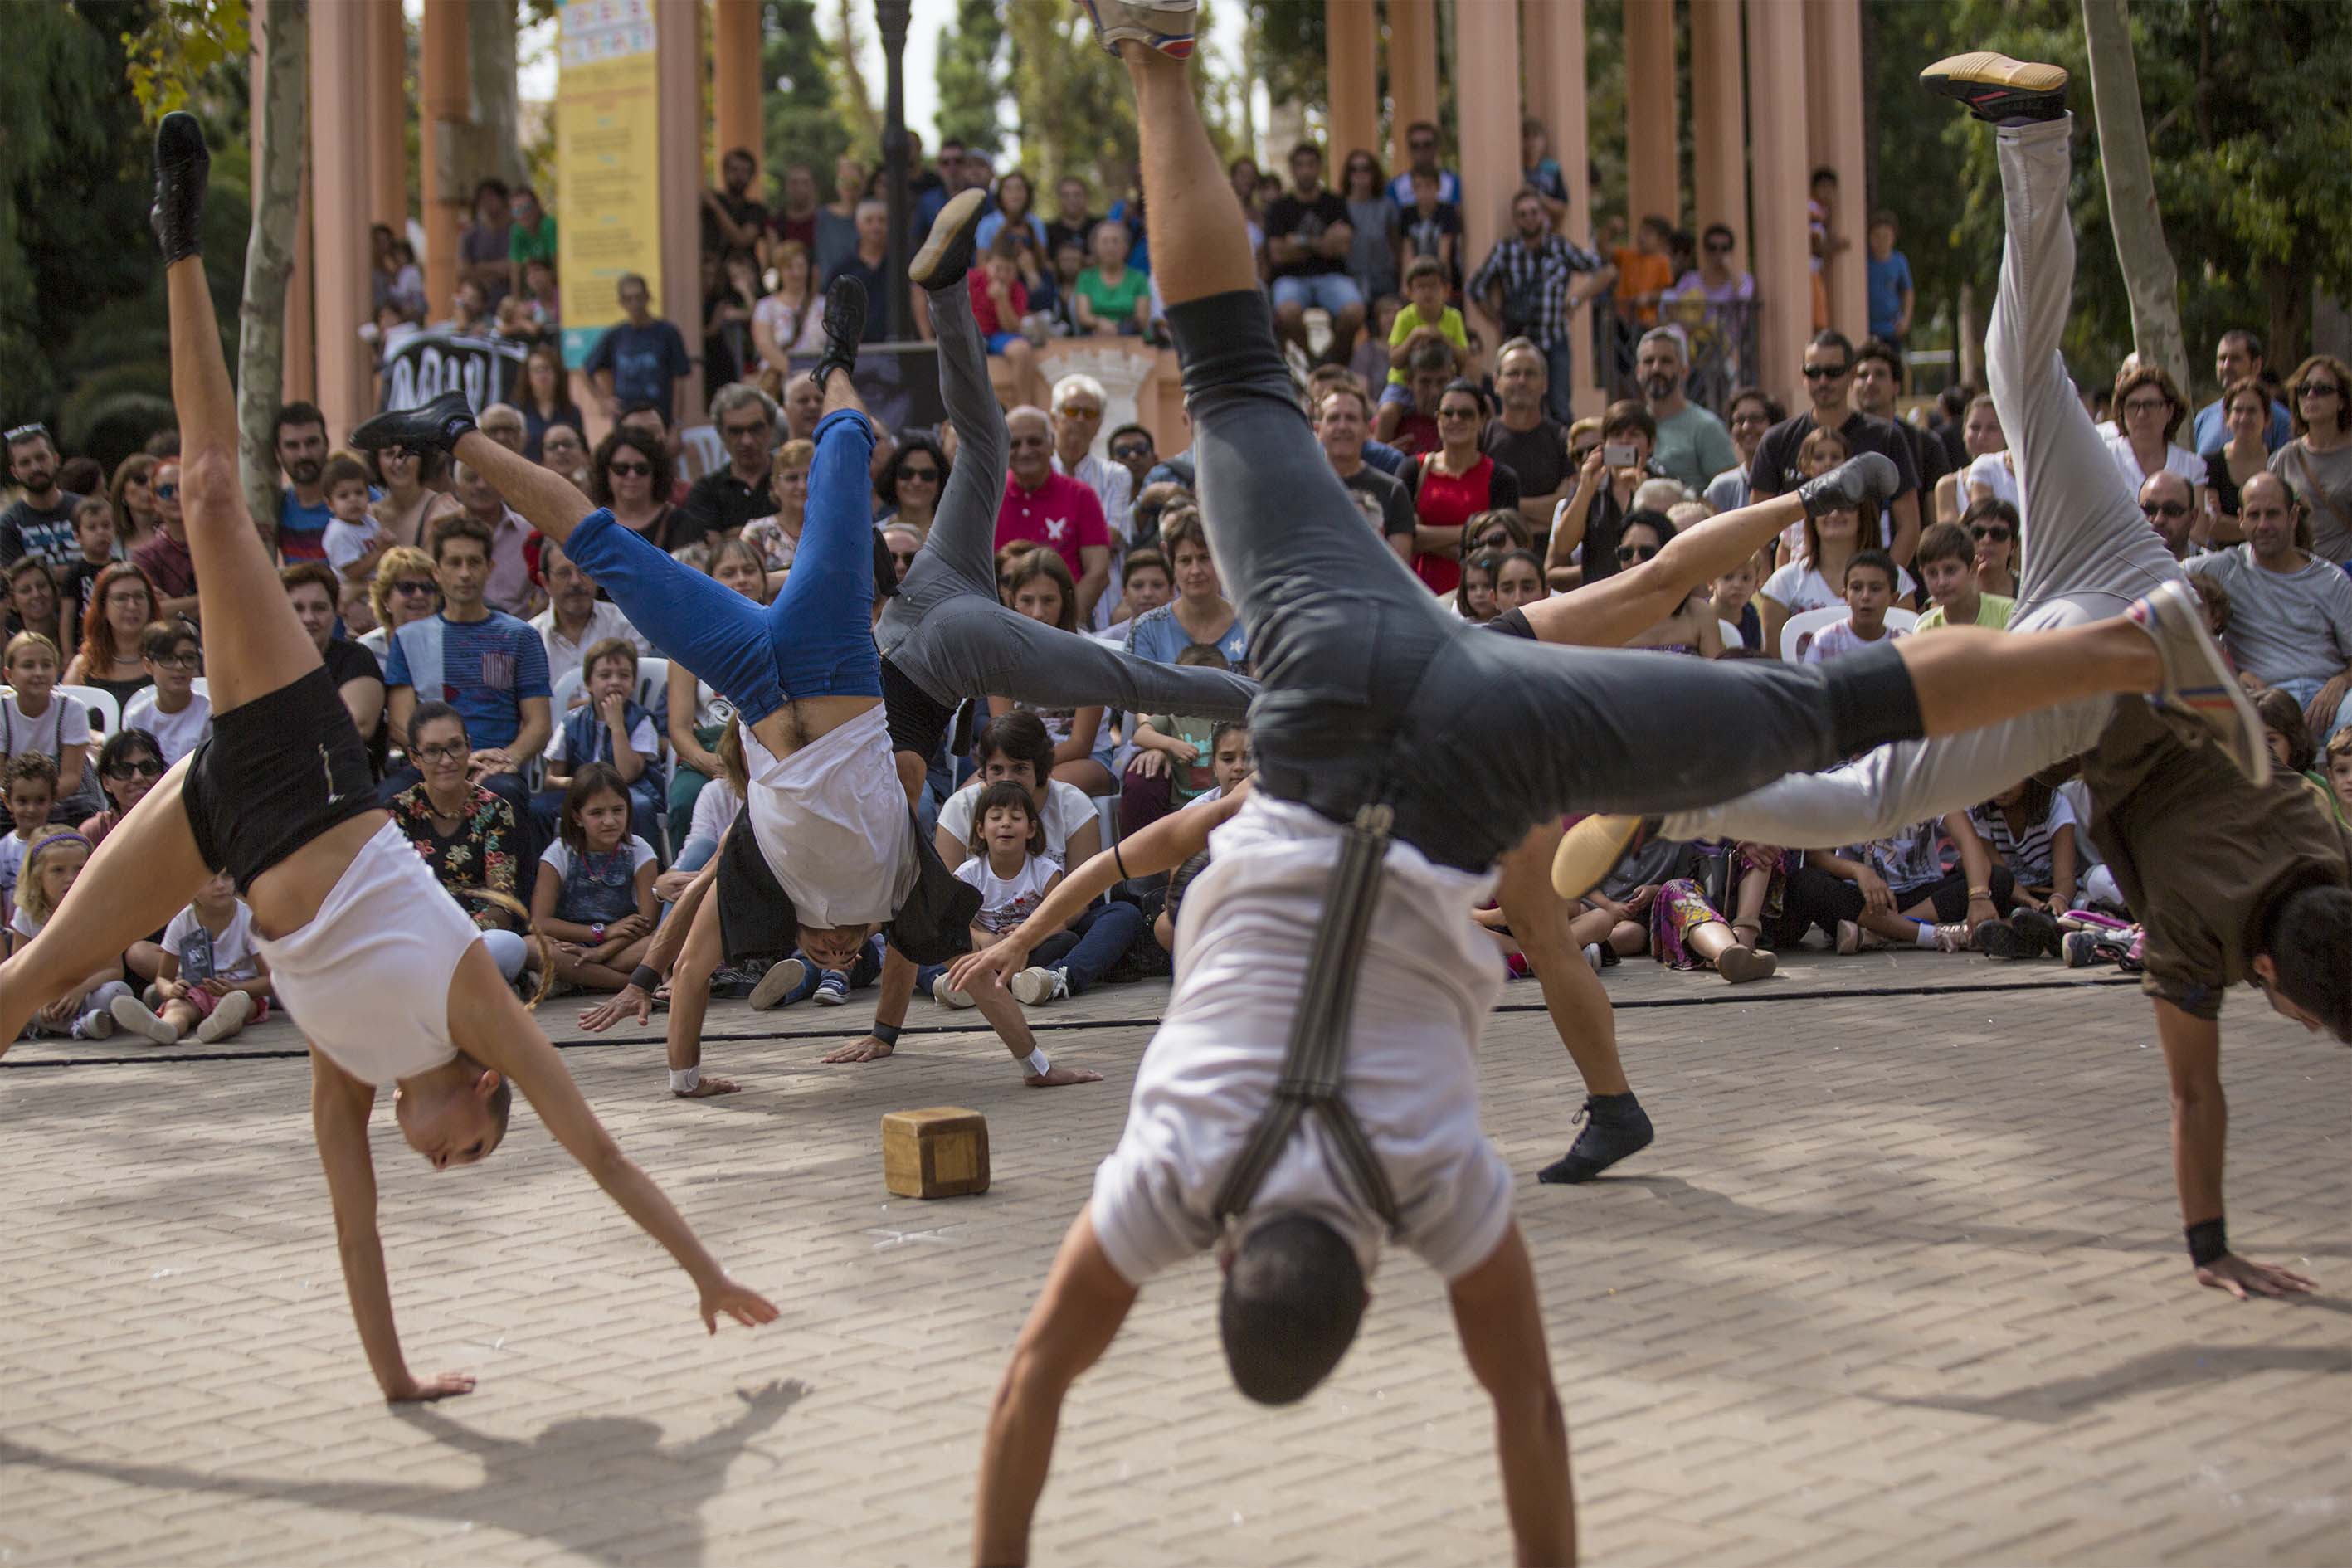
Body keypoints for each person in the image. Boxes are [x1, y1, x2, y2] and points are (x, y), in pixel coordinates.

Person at [1, 115, 777, 1394]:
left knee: (29, 976)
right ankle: (181, 235)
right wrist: (701, 1270)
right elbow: (603, 1150)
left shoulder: (347, 1066)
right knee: (205, 491)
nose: (450, 1165)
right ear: (480, 1088)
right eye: (473, 1150)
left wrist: (397, 1382)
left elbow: (355, 1230)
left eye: (459, 1164)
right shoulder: (475, 999)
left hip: (218, 822)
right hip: (296, 764)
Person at [1593, 54, 2346, 1301]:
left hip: (2113, 563)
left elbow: (2276, 775)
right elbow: (2192, 1091)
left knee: (2018, 371)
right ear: (2275, 981)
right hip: (2093, 685)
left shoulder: (2329, 852)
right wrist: (2208, 1248)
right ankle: (1673, 805)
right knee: (1864, 797)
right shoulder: (2202, 948)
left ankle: (2031, 137)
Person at [380, 514, 552, 825]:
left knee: (505, 795)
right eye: (454, 563)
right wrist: (452, 760)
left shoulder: (520, 636)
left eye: (474, 562)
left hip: (494, 769)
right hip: (429, 766)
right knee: (380, 802)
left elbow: (538, 724)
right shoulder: (410, 638)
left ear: (490, 568)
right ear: (437, 571)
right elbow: (401, 723)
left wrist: (508, 759)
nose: (464, 573)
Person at [2182, 472, 2352, 742]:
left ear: (2293, 516)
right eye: (2254, 515)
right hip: (2261, 702)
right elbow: (2158, 577)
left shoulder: (2332, 581)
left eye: (2272, 514)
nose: (2263, 525)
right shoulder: (2223, 567)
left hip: (2328, 701)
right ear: (2240, 518)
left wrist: (2340, 682)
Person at [1746, 329, 1924, 569]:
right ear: (1803, 375)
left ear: (1851, 375)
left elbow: (1909, 526)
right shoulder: (1777, 440)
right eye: (1814, 372)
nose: (1823, 381)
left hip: (1868, 585)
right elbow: (1757, 525)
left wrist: (1883, 585)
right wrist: (1773, 591)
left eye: (1833, 372)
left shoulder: (1885, 436)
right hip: (1798, 590)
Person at [388, 704, 536, 986]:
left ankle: (444, 985)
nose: (446, 760)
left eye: (454, 746)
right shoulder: (398, 813)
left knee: (508, 946)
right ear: (415, 758)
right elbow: (392, 901)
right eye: (432, 751)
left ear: (469, 748)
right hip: (418, 939)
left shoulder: (494, 810)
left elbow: (502, 904)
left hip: (476, 937)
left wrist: (454, 940)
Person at [1468, 188, 1613, 426]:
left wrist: (1576, 300)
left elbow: (1604, 271)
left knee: (1560, 411)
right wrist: (1496, 319)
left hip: (1554, 339)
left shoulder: (1559, 247)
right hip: (1518, 343)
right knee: (1513, 407)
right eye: (1522, 214)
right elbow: (1475, 287)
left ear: (1543, 215)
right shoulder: (1506, 250)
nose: (1529, 218)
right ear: (1515, 219)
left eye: (1534, 212)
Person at [102, 869, 273, 1045]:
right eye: (210, 880)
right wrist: (169, 990)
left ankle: (219, 1027)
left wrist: (235, 988)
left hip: (239, 990)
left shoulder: (248, 919)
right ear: (190, 888)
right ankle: (165, 1028)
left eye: (227, 876)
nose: (221, 885)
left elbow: (270, 979)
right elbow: (163, 977)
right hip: (196, 991)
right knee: (177, 1007)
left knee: (241, 1007)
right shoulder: (181, 922)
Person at [530, 762, 659, 994]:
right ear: (577, 817)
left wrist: (601, 952)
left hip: (623, 947)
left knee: (660, 942)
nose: (609, 821)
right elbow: (541, 922)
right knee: (529, 947)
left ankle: (581, 978)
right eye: (597, 813)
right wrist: (601, 933)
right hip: (572, 943)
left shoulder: (640, 850)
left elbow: (646, 921)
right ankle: (629, 984)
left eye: (618, 810)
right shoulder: (559, 852)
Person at [536, 637, 665, 848]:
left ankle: (648, 871)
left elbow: (627, 774)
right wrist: (573, 784)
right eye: (605, 676)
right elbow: (551, 779)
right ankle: (542, 873)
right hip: (581, 791)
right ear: (588, 684)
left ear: (633, 684)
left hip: (630, 790)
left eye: (624, 676)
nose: (614, 682)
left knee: (641, 807)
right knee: (539, 810)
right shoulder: (572, 721)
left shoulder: (641, 721)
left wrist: (616, 726)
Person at [1409, 381, 1521, 596]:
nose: (1456, 420)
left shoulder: (1502, 478)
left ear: (1482, 420)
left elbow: (1503, 547)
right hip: (1421, 597)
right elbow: (1404, 537)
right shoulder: (1412, 470)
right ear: (1437, 419)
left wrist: (1426, 539)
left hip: (1483, 601)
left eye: (1466, 414)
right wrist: (1474, 536)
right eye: (1448, 413)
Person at [1262, 141, 1364, 366]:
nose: (1306, 170)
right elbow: (1277, 254)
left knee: (1354, 312)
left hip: (1332, 277)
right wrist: (1323, 243)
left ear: (1319, 168)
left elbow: (1343, 246)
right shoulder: (1280, 208)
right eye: (1300, 165)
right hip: (1291, 279)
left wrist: (1297, 242)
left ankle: (1334, 362)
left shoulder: (1335, 203)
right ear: (1292, 170)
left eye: (1311, 164)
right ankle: (1311, 361)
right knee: (1287, 313)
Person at [282, 562, 387, 770]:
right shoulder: (266, 664)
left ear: (335, 611)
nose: (309, 618)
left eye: (319, 608)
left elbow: (357, 727)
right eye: (297, 608)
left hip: (346, 781)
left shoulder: (356, 657)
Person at [2270, 353, 2352, 567]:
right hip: (2300, 574)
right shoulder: (2284, 458)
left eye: (2322, 389)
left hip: (2346, 574)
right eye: (2303, 389)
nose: (2311, 395)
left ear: (2342, 401)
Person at [530, 540, 647, 685]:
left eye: (584, 570)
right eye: (564, 573)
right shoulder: (532, 637)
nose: (576, 581)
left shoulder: (627, 625)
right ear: (545, 582)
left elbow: (639, 691)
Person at [1637, 328, 1739, 494]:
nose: (1656, 368)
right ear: (1638, 371)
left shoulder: (1706, 428)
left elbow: (1730, 496)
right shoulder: (1631, 428)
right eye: (1649, 361)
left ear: (1684, 371)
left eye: (1666, 361)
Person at [583, 275, 694, 423]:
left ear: (648, 297)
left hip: (660, 419)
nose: (635, 303)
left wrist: (677, 424)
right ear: (621, 303)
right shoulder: (615, 335)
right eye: (628, 299)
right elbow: (586, 370)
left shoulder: (668, 333)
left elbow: (679, 382)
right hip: (625, 421)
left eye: (638, 297)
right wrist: (603, 401)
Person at [2188, 329, 2293, 454]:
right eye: (2222, 359)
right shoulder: (2203, 419)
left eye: (2235, 359)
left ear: (2256, 366)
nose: (2226, 366)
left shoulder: (2282, 421)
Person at [122, 622, 211, 762]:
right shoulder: (136, 718)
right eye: (169, 659)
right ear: (148, 665)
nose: (180, 666)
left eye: (189, 658)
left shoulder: (210, 713)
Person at [1799, 548, 1906, 665]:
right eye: (1856, 588)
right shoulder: (1825, 641)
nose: (1865, 597)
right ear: (1845, 596)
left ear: (1894, 599)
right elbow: (1811, 681)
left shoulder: (1904, 644)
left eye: (1875, 589)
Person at [2, 424, 84, 571]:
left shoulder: (84, 509)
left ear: (56, 459)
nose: (35, 468)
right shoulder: (8, 526)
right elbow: (19, 582)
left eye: (41, 458)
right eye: (25, 463)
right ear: (14, 472)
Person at [1911, 521, 2013, 633]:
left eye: (1950, 570)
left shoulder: (2007, 613)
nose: (1942, 582)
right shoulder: (1926, 631)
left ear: (1973, 568)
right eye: (1932, 573)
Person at [1073, 219, 1152, 338]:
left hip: (1132, 339)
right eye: (1105, 242)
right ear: (1095, 247)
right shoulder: (1086, 278)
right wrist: (1099, 323)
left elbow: (1142, 318)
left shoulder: (1138, 278)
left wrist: (1118, 330)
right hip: (1095, 337)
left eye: (1116, 241)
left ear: (1126, 247)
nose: (1110, 246)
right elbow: (1083, 316)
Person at [1865, 212, 1915, 347]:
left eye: (1886, 236)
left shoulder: (1899, 261)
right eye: (1877, 236)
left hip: (1891, 328)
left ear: (1893, 237)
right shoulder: (1865, 263)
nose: (1881, 241)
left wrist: (1906, 320)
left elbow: (1908, 291)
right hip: (1869, 328)